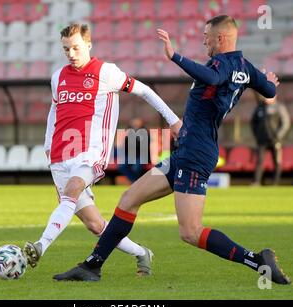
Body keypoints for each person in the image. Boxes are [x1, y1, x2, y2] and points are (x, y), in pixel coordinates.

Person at [54, 15, 291, 285]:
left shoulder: (221, 64)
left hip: (196, 154)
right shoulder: (245, 67)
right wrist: (268, 81)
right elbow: (269, 89)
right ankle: (92, 266)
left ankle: (258, 260)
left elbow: (212, 77)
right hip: (186, 151)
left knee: (190, 232)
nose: (204, 41)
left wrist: (175, 56)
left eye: (207, 37)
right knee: (129, 199)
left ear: (221, 39)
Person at [23, 23, 182, 276]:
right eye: (66, 50)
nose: (71, 54)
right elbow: (54, 111)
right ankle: (142, 253)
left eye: (75, 48)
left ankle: (40, 246)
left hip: (91, 152)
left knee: (71, 193)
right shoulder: (58, 77)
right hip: (59, 155)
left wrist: (173, 119)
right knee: (95, 224)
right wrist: (46, 144)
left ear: (88, 44)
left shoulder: (106, 72)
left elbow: (145, 91)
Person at [251, 94, 290, 185]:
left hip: (275, 141)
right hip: (262, 140)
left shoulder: (279, 107)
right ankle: (257, 182)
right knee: (260, 161)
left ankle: (275, 183)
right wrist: (257, 135)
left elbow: (285, 123)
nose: (267, 98)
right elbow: (253, 123)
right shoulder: (260, 108)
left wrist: (278, 136)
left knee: (277, 161)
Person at [117, 118, 151, 183]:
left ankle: (137, 182)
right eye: (134, 123)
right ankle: (134, 181)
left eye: (137, 123)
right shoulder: (129, 133)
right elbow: (125, 147)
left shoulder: (145, 133)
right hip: (131, 155)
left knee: (135, 168)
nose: (135, 125)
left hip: (141, 156)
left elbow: (144, 147)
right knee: (122, 167)